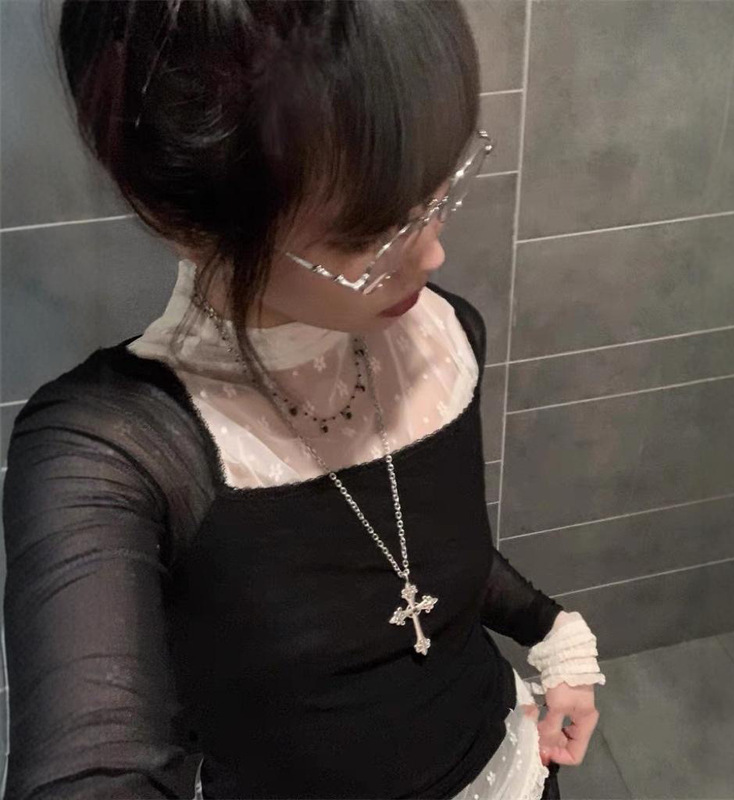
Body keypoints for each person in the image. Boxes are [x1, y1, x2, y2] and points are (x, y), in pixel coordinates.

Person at [2, 2, 605, 798]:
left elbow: (421, 560)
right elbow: (93, 764)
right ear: (184, 217)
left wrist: (553, 631)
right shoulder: (113, 454)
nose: (431, 252)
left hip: (516, 769)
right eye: (372, 234)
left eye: (439, 193)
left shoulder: (443, 336)